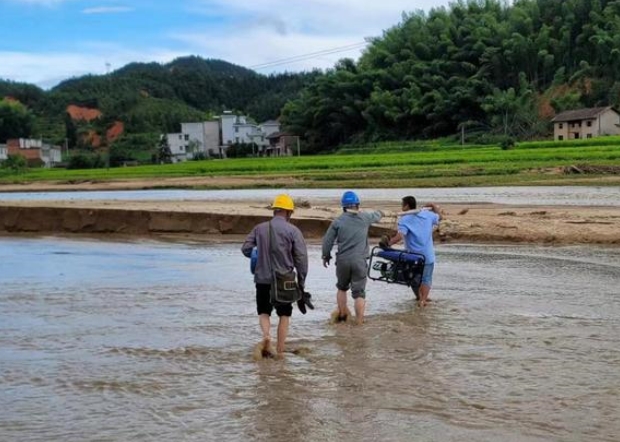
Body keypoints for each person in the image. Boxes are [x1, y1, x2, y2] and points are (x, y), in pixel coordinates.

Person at [241, 194, 309, 357]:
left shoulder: (259, 228)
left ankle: (266, 336)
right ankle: (279, 350)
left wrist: (257, 255)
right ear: (288, 212)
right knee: (284, 314)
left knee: (264, 311)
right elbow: (301, 258)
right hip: (284, 280)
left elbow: (245, 249)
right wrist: (301, 281)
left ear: (274, 210)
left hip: (262, 278)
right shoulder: (293, 230)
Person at [322, 191, 384, 325]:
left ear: (343, 206)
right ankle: (360, 321)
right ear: (357, 205)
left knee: (342, 288)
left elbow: (327, 241)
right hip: (359, 261)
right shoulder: (365, 217)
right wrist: (381, 212)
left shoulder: (337, 221)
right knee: (359, 294)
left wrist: (325, 256)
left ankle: (343, 314)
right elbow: (377, 215)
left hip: (343, 261)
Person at [380, 195, 441, 307]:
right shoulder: (428, 215)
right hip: (427, 255)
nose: (401, 207)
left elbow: (399, 236)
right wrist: (433, 205)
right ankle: (422, 300)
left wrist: (388, 244)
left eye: (402, 204)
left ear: (407, 206)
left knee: (412, 277)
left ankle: (421, 299)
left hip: (413, 256)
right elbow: (439, 217)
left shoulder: (404, 219)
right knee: (425, 279)